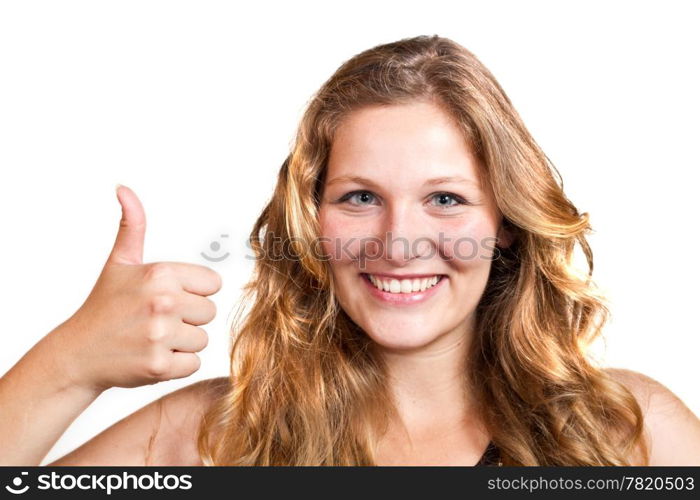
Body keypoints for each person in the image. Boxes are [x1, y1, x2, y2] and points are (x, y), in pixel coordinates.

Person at [1, 34, 699, 466]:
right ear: (312, 219)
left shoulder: (627, 436)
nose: (398, 242)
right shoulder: (211, 439)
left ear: (507, 221)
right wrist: (70, 363)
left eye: (446, 199)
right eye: (360, 197)